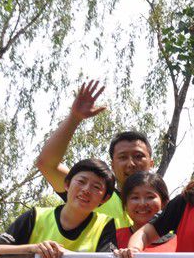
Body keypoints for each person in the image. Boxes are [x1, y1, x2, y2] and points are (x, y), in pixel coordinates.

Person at [35, 80, 153, 228]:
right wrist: (74, 118)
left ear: (151, 163)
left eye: (138, 156)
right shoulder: (97, 194)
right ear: (112, 165)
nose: (131, 163)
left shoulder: (166, 209)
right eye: (123, 157)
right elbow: (47, 165)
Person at [0, 159, 117, 258]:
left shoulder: (105, 225)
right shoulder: (36, 216)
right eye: (81, 182)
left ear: (105, 199)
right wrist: (33, 249)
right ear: (67, 184)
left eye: (96, 187)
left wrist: (65, 255)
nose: (86, 190)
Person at [117, 171, 177, 252]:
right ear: (125, 204)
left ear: (164, 203)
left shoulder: (179, 242)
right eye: (135, 197)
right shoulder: (112, 238)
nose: (142, 204)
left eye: (150, 197)